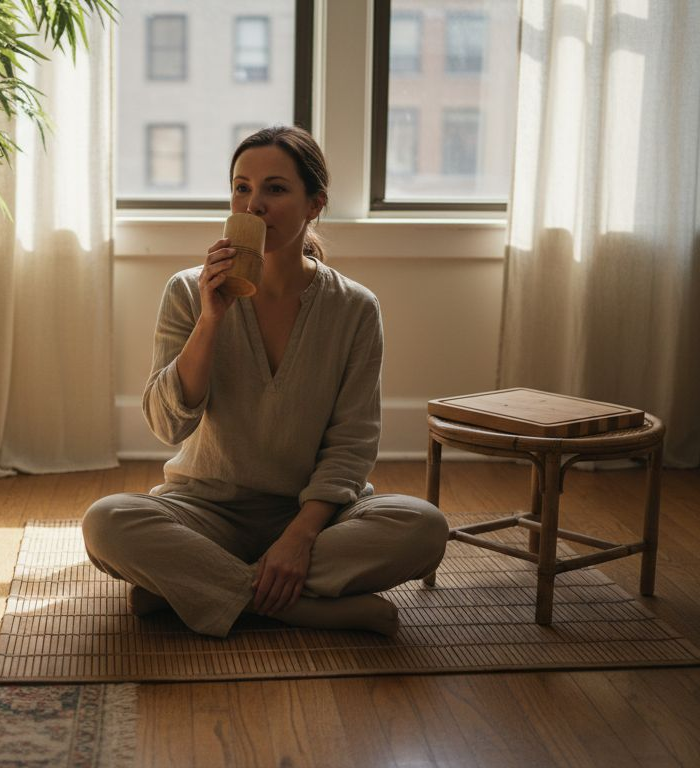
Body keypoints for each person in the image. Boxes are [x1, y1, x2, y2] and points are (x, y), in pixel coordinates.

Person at [82, 126, 448, 638]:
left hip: (314, 516)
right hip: (205, 509)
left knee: (424, 527)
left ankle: (191, 591)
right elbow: (167, 424)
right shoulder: (189, 291)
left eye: (275, 189)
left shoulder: (355, 308)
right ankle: (300, 607)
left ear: (314, 204)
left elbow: (353, 442)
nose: (254, 205)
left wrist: (300, 536)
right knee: (107, 521)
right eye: (241, 188)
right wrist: (212, 320)